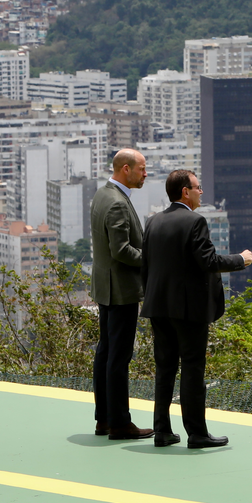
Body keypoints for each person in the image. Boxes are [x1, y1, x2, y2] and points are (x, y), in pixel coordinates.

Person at [141, 169, 252, 449]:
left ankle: (162, 431)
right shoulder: (195, 221)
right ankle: (197, 433)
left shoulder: (152, 222)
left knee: (164, 369)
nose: (201, 191)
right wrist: (240, 259)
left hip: (157, 306)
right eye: (197, 187)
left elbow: (147, 265)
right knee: (192, 369)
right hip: (188, 309)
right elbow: (208, 261)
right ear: (185, 192)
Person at [89, 148, 154, 441]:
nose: (145, 174)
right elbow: (121, 250)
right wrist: (153, 258)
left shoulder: (103, 194)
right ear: (125, 169)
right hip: (121, 290)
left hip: (105, 286)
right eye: (141, 168)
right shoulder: (117, 203)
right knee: (118, 357)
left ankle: (104, 418)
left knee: (105, 353)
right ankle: (119, 422)